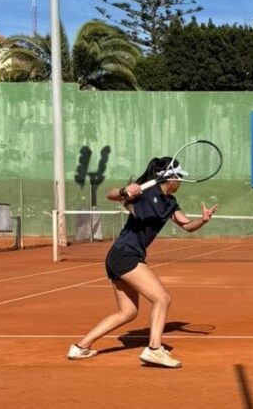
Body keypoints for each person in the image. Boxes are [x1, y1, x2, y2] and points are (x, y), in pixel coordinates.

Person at [68, 157, 217, 368]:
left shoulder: (170, 203)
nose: (181, 182)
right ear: (169, 178)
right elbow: (111, 195)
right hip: (124, 255)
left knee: (127, 312)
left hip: (123, 256)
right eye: (179, 178)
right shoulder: (144, 194)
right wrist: (124, 192)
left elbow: (187, 225)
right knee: (162, 298)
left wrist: (203, 219)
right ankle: (154, 349)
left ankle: (80, 347)